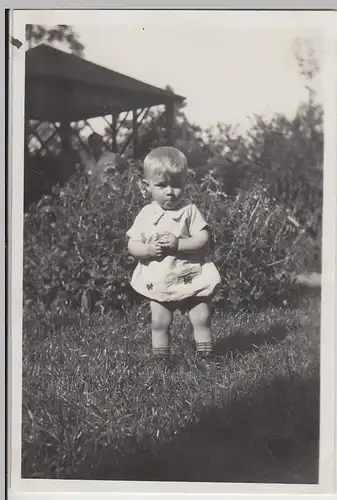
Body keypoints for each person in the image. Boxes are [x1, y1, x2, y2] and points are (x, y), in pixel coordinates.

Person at [126, 146, 222, 370]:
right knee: (160, 321)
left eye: (176, 185)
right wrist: (148, 250)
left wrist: (179, 243)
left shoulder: (189, 210)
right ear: (146, 186)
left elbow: (203, 238)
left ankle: (206, 357)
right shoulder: (146, 214)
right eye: (161, 186)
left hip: (189, 273)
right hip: (161, 276)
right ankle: (161, 360)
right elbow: (132, 244)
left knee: (201, 317)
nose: (170, 192)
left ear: (185, 182)